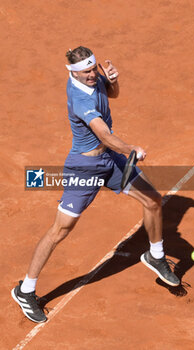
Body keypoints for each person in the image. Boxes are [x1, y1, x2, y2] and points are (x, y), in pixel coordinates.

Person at [11, 46, 180, 323]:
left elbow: (110, 95)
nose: (93, 75)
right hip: (84, 168)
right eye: (87, 72)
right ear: (72, 73)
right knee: (61, 229)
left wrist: (112, 81)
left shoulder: (93, 78)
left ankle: (156, 255)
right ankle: (25, 290)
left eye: (94, 69)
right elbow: (104, 133)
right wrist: (130, 148)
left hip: (109, 161)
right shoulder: (79, 100)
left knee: (153, 200)